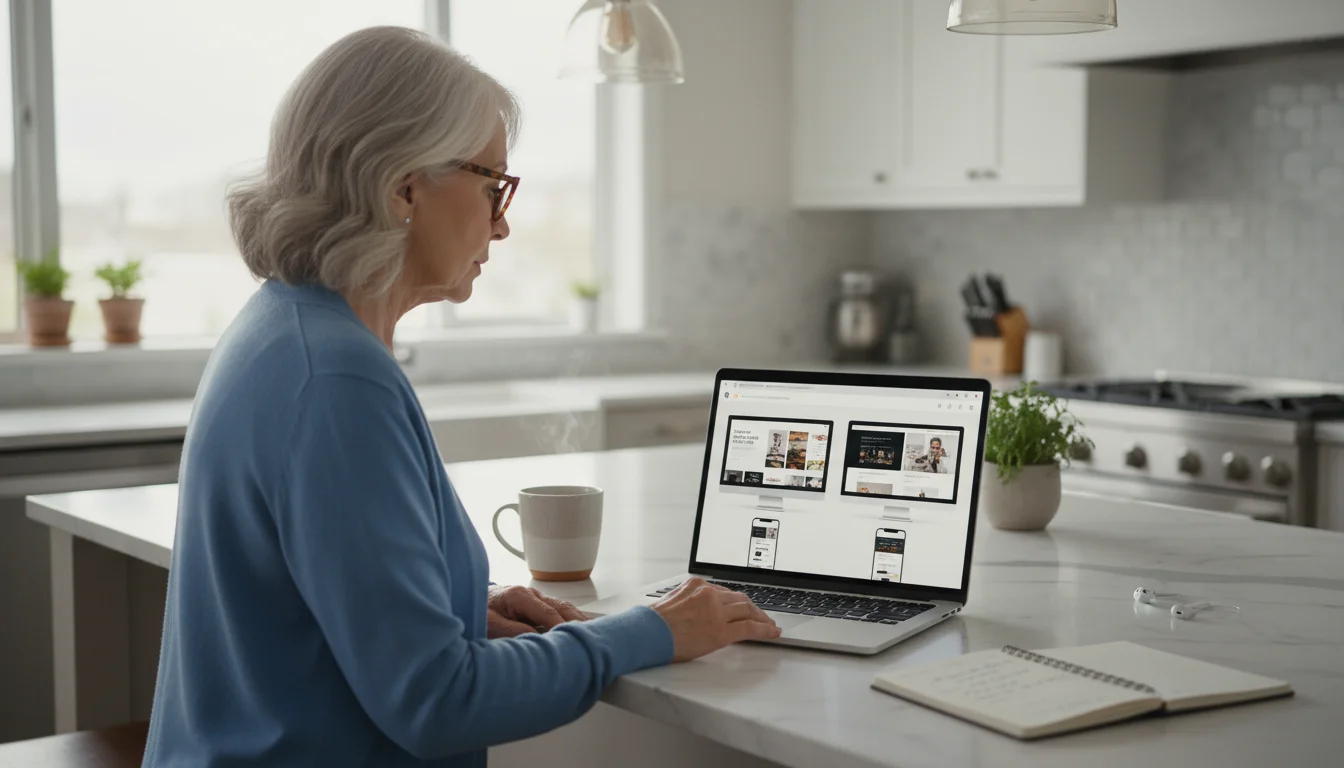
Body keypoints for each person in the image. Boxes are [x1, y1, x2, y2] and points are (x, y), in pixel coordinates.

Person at [142, 26, 779, 767]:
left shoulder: (285, 328)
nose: (502, 222)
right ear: (403, 186)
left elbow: (312, 599)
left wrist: (456, 609)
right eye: (491, 184)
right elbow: (439, 702)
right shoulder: (335, 382)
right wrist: (652, 630)